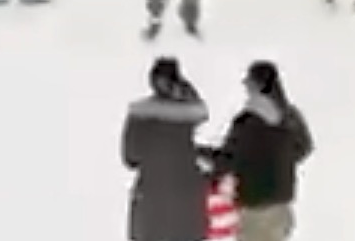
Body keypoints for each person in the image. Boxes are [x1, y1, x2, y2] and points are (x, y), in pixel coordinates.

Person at [212, 61, 315, 241]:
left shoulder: (248, 122)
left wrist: (198, 155)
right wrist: (280, 163)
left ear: (257, 85)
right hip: (282, 205)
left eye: (248, 83)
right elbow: (304, 147)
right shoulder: (290, 116)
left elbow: (228, 161)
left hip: (255, 207)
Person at [121, 57, 211, 241]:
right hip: (188, 198)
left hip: (153, 199)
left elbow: (130, 157)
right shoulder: (190, 113)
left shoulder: (141, 115)